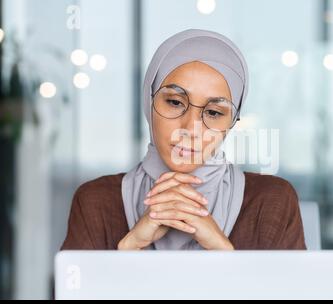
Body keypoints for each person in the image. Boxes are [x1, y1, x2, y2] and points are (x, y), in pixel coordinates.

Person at [61, 29, 306, 251]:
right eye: (175, 102)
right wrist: (130, 247)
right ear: (149, 102)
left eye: (213, 112)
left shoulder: (272, 203)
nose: (191, 128)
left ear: (231, 123)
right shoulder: (95, 202)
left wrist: (223, 252)